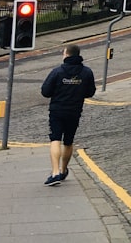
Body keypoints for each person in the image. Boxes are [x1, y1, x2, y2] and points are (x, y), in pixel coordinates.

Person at [40, 44, 96, 186]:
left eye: (63, 53)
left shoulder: (57, 72)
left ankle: (55, 172)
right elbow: (90, 92)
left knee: (55, 139)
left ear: (67, 55)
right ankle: (64, 170)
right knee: (68, 141)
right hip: (75, 111)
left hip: (57, 111)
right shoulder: (86, 72)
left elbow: (45, 91)